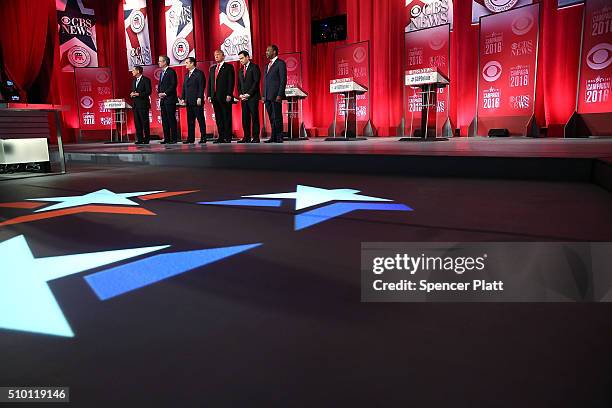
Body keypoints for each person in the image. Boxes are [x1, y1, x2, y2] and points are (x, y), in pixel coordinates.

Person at [207, 50, 235, 144]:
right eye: (215, 55)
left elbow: (231, 82)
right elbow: (210, 83)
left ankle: (228, 137)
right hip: (215, 97)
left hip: (224, 96)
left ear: (223, 56)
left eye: (218, 55)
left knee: (226, 117)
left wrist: (229, 94)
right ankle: (221, 137)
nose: (216, 56)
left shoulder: (228, 67)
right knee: (218, 117)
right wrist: (209, 95)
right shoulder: (212, 68)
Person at [179, 57, 206, 144]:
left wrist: (199, 97)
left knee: (200, 120)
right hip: (189, 101)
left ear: (192, 63)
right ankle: (190, 138)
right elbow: (184, 88)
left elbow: (201, 86)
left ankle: (203, 137)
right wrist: (183, 98)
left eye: (187, 62)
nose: (185, 64)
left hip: (197, 101)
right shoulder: (187, 75)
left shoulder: (199, 73)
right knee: (190, 121)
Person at [263, 45, 287, 143]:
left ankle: (279, 136)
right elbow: (265, 81)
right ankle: (273, 136)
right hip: (267, 96)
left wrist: (280, 94)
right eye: (266, 50)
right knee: (271, 117)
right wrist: (264, 95)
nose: (266, 52)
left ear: (274, 51)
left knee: (277, 116)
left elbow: (283, 80)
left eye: (268, 50)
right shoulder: (267, 65)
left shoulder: (280, 63)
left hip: (276, 95)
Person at [237, 50, 261, 143]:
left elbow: (256, 82)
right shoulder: (240, 70)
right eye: (239, 59)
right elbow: (239, 84)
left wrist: (249, 94)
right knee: (245, 118)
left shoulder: (254, 67)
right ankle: (246, 137)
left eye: (242, 58)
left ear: (248, 57)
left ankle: (256, 137)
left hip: (252, 97)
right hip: (243, 98)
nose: (241, 60)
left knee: (254, 117)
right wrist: (240, 94)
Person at [157, 55, 178, 144]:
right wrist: (159, 93)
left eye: (160, 61)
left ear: (165, 62)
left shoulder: (171, 71)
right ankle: (167, 138)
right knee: (164, 120)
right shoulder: (162, 72)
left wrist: (165, 93)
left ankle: (174, 138)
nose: (159, 62)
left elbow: (173, 85)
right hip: (163, 100)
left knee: (171, 119)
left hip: (170, 99)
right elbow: (161, 85)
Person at [129, 66, 152, 145]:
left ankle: (147, 139)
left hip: (143, 104)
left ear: (138, 71)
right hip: (135, 105)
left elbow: (148, 91)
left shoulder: (146, 80)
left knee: (144, 122)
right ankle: (140, 139)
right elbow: (134, 91)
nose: (132, 72)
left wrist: (139, 94)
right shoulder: (134, 81)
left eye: (133, 70)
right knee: (137, 123)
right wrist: (132, 94)